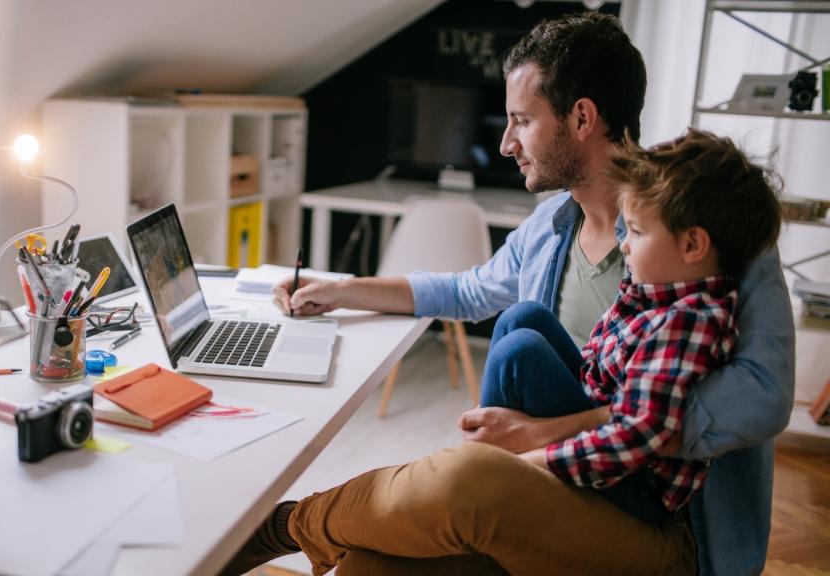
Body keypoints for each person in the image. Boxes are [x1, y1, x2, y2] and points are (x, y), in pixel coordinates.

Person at [231, 11, 792, 576]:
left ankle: (288, 525)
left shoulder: (708, 227)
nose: (504, 143)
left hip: (668, 520)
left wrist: (548, 434)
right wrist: (343, 290)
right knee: (369, 564)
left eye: (521, 121)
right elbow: (469, 289)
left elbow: (764, 397)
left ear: (581, 118)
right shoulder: (552, 224)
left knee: (466, 480)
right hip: (570, 480)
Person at [481, 129, 781, 527]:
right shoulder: (648, 291)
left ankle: (483, 474)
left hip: (637, 481)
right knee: (523, 318)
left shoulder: (689, 319)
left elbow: (634, 436)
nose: (624, 244)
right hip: (609, 433)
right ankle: (484, 462)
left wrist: (530, 459)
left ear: (693, 246)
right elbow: (595, 362)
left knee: (519, 350)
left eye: (637, 232)